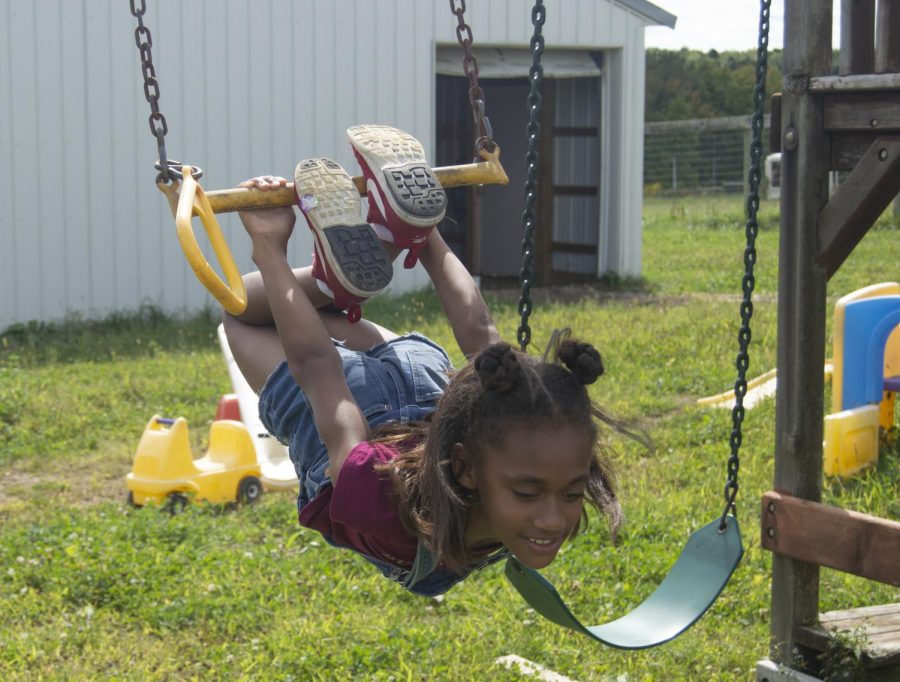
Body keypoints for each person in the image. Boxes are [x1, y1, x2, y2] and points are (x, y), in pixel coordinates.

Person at [223, 126, 623, 597]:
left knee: (272, 309)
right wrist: (268, 245)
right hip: (370, 425)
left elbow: (481, 334)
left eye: (572, 493)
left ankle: (383, 243)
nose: (554, 518)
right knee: (242, 318)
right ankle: (364, 256)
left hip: (424, 382)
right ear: (466, 470)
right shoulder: (381, 504)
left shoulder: (508, 432)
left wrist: (429, 237)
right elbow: (316, 371)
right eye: (528, 493)